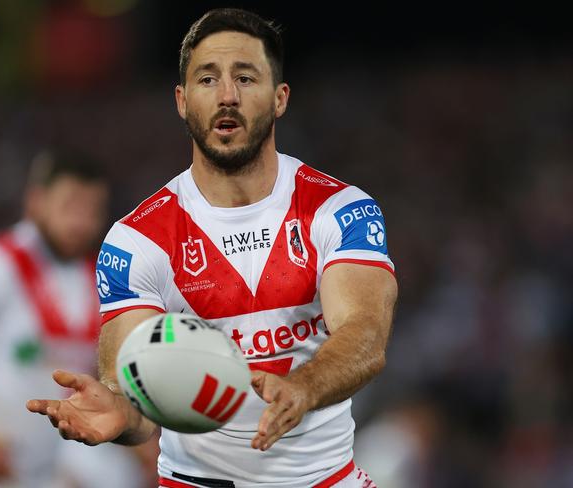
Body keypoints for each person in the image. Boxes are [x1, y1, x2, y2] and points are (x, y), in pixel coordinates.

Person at [28, 8, 397, 488]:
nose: (227, 96)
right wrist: (120, 413)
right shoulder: (136, 241)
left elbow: (365, 334)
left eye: (246, 77)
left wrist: (302, 388)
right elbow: (136, 395)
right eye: (207, 79)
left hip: (327, 478)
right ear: (182, 100)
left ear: (280, 97)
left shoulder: (340, 210)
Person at [0, 148, 156, 487]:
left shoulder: (99, 280)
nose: (81, 222)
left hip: (32, 473)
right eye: (70, 206)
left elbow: (93, 376)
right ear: (36, 201)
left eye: (92, 210)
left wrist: (140, 448)